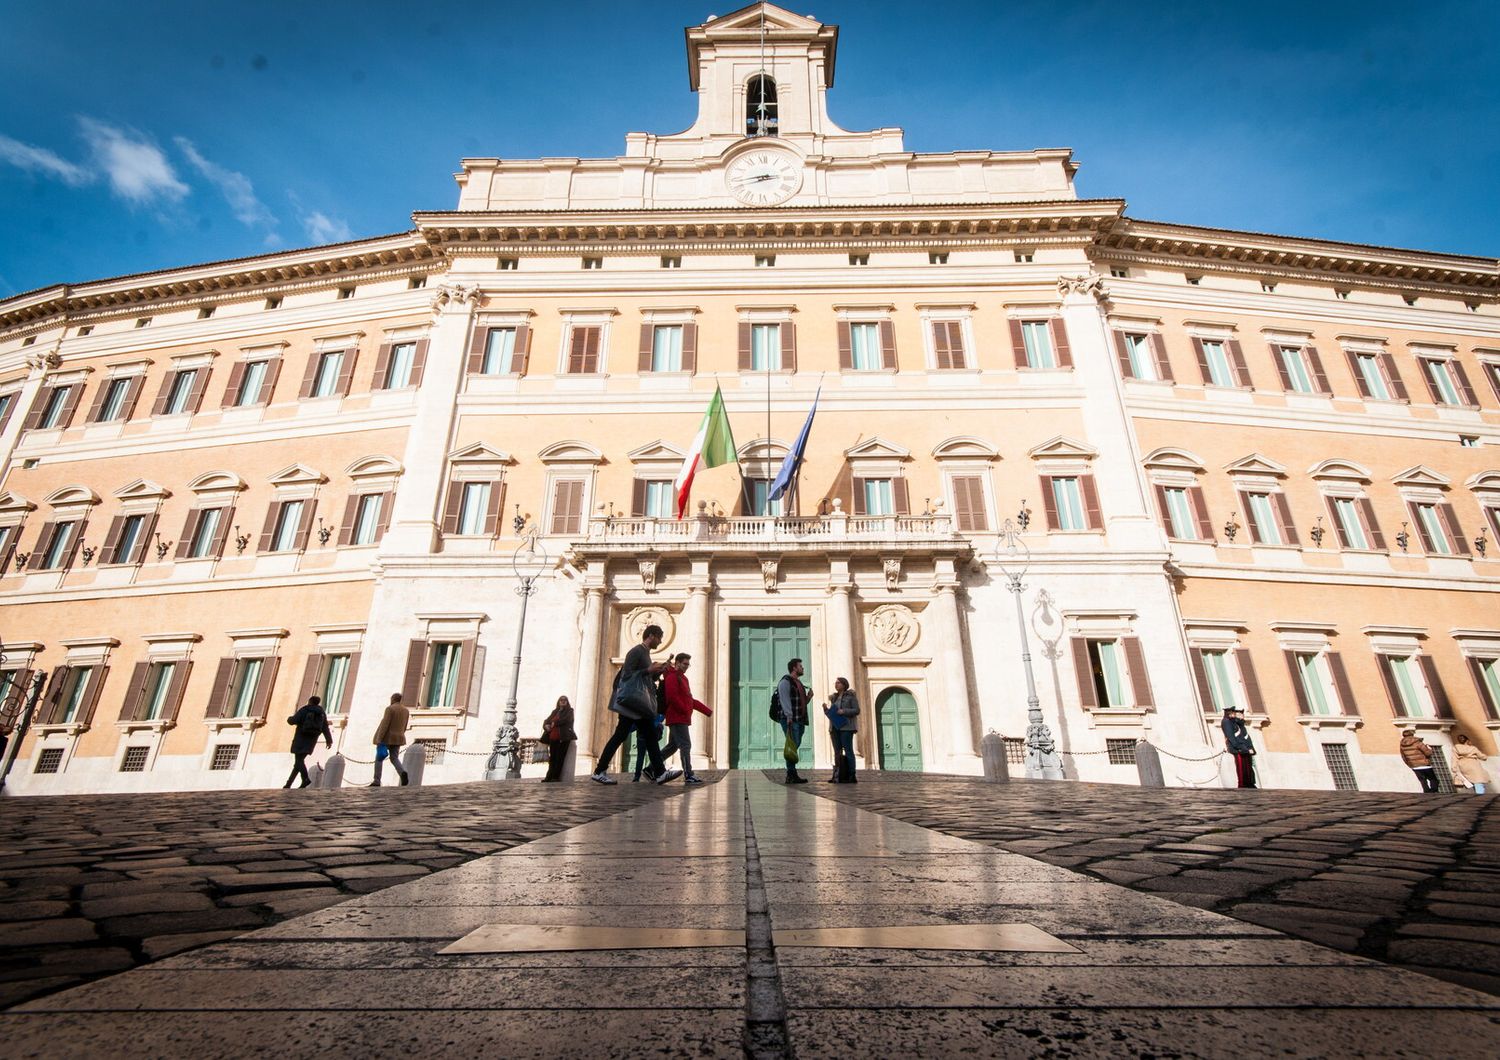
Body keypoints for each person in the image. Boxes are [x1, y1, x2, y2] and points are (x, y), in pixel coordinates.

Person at [592, 624, 682, 786]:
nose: (660, 642)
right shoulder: (636, 651)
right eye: (659, 638)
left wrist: (659, 671)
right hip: (632, 704)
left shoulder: (645, 653)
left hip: (639, 705)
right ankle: (599, 771)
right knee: (622, 736)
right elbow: (626, 676)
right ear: (652, 636)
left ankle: (660, 773)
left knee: (648, 736)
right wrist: (648, 669)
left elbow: (646, 679)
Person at [660, 653, 711, 785]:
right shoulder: (672, 677)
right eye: (684, 664)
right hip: (677, 717)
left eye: (688, 664)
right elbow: (672, 697)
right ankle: (688, 774)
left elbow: (689, 700)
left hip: (682, 717)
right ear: (677, 663)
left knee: (673, 746)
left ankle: (651, 768)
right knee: (685, 745)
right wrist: (684, 709)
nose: (687, 666)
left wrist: (706, 710)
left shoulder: (683, 678)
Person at [284, 695, 332, 789]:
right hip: (311, 740)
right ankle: (288, 784)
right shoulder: (321, 713)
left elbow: (293, 721)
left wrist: (289, 718)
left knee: (299, 761)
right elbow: (325, 727)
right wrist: (328, 740)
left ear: (310, 701)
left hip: (301, 738)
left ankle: (305, 779)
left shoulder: (305, 710)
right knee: (298, 762)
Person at [776, 657, 810, 784]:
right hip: (790, 719)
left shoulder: (799, 683)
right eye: (800, 666)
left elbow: (801, 703)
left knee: (795, 745)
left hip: (800, 719)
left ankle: (792, 773)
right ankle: (791, 774)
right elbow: (785, 700)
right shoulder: (785, 682)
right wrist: (789, 717)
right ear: (794, 668)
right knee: (792, 745)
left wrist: (808, 698)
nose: (803, 668)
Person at [369, 693, 410, 787]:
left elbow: (385, 724)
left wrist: (379, 738)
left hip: (387, 737)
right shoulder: (406, 710)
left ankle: (377, 780)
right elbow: (405, 725)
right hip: (398, 737)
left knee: (379, 758)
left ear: (393, 699)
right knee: (394, 758)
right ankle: (402, 772)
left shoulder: (390, 709)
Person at [826, 677, 859, 783]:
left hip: (846, 727)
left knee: (848, 750)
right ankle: (837, 775)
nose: (836, 684)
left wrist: (843, 711)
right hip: (835, 727)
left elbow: (857, 710)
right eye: (836, 683)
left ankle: (851, 774)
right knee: (837, 751)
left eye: (839, 683)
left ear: (844, 684)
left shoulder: (851, 697)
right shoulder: (834, 698)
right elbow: (833, 713)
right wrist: (826, 710)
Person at [540, 695, 577, 782]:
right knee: (552, 758)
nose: (563, 701)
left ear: (567, 702)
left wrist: (554, 723)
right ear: (558, 702)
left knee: (560, 758)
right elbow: (546, 720)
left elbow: (566, 720)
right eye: (561, 700)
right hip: (553, 737)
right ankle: (548, 777)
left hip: (563, 737)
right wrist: (546, 725)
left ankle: (555, 777)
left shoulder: (569, 711)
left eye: (565, 700)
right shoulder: (555, 711)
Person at [1221, 706, 1256, 789]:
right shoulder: (1226, 722)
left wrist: (1248, 747)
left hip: (1243, 747)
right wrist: (1239, 747)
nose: (1234, 714)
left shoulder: (1234, 722)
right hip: (1237, 748)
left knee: (1246, 766)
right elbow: (1231, 736)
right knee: (1241, 766)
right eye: (1233, 713)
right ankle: (1242, 784)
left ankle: (1248, 783)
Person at [1399, 728, 1439, 793]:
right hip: (1425, 764)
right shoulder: (1418, 742)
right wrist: (1430, 749)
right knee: (1433, 779)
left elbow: (1403, 756)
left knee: (1423, 781)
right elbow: (1428, 753)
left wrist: (1410, 764)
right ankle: (1434, 792)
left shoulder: (1402, 745)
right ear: (1412, 734)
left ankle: (1427, 793)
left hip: (1414, 766)